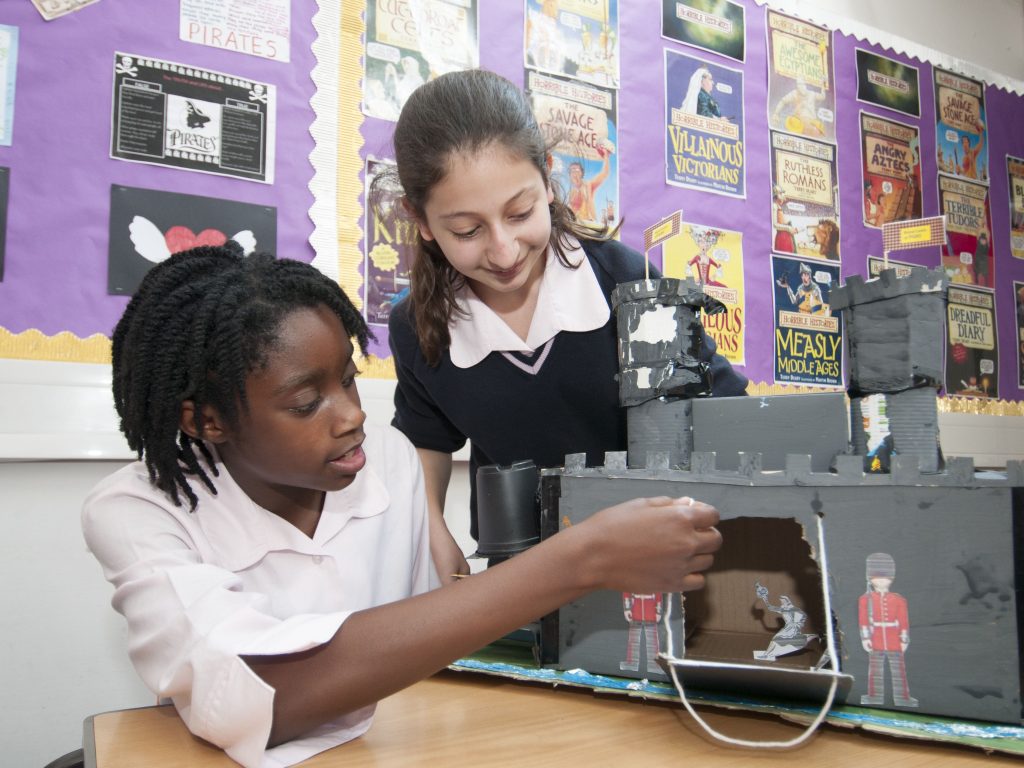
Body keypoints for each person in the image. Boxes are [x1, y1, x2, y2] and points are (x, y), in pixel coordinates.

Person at [82, 243, 724, 768]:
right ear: (208, 421)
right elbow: (259, 696)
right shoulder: (140, 513)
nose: (353, 417)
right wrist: (578, 560)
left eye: (350, 380)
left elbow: (437, 640)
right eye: (308, 403)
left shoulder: (385, 460)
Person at [377, 69, 748, 581]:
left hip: (656, 562)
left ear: (549, 178)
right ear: (420, 220)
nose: (504, 251)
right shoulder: (418, 324)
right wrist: (430, 526)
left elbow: (725, 413)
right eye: (467, 230)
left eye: (520, 212)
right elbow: (426, 440)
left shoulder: (624, 283)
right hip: (522, 575)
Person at [858, 553, 918, 707]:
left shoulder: (898, 600)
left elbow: (903, 621)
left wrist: (904, 639)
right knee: (875, 671)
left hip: (893, 639)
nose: (880, 580)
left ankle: (902, 697)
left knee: (898, 670)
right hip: (875, 637)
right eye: (876, 577)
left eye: (884, 577)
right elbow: (864, 620)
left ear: (891, 578)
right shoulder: (865, 599)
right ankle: (874, 696)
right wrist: (865, 638)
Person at [772, 185, 797, 254]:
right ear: (777, 195)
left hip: (786, 237)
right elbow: (775, 225)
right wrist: (788, 228)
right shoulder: (774, 206)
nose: (783, 196)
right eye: (781, 193)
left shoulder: (779, 206)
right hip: (782, 237)